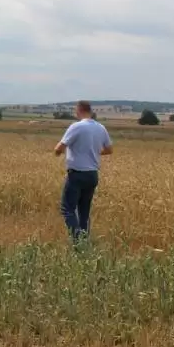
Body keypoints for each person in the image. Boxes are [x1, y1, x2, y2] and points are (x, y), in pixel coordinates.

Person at [54, 100, 113, 244]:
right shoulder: (101, 128)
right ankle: (84, 241)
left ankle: (77, 241)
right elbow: (109, 150)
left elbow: (59, 148)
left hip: (77, 173)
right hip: (92, 174)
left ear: (79, 110)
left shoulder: (77, 126)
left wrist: (58, 152)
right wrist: (93, 152)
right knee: (84, 212)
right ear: (90, 111)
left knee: (67, 209)